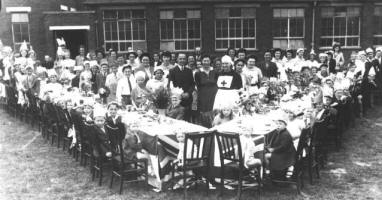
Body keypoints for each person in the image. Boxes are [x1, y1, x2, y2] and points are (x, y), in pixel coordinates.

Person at [168, 53, 195, 121]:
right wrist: (180, 94)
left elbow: (192, 84)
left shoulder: (189, 71)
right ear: (177, 59)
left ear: (186, 60)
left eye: (184, 59)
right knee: (177, 120)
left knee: (187, 119)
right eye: (180, 59)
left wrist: (188, 93)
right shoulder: (172, 71)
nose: (182, 60)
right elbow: (171, 85)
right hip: (177, 100)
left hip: (187, 99)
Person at [194, 55, 218, 128]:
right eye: (204, 61)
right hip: (203, 95)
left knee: (213, 110)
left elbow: (217, 82)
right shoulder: (198, 73)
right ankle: (205, 127)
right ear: (201, 62)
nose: (206, 62)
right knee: (204, 111)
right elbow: (198, 86)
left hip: (213, 94)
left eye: (207, 61)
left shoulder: (215, 71)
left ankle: (214, 126)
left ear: (210, 61)